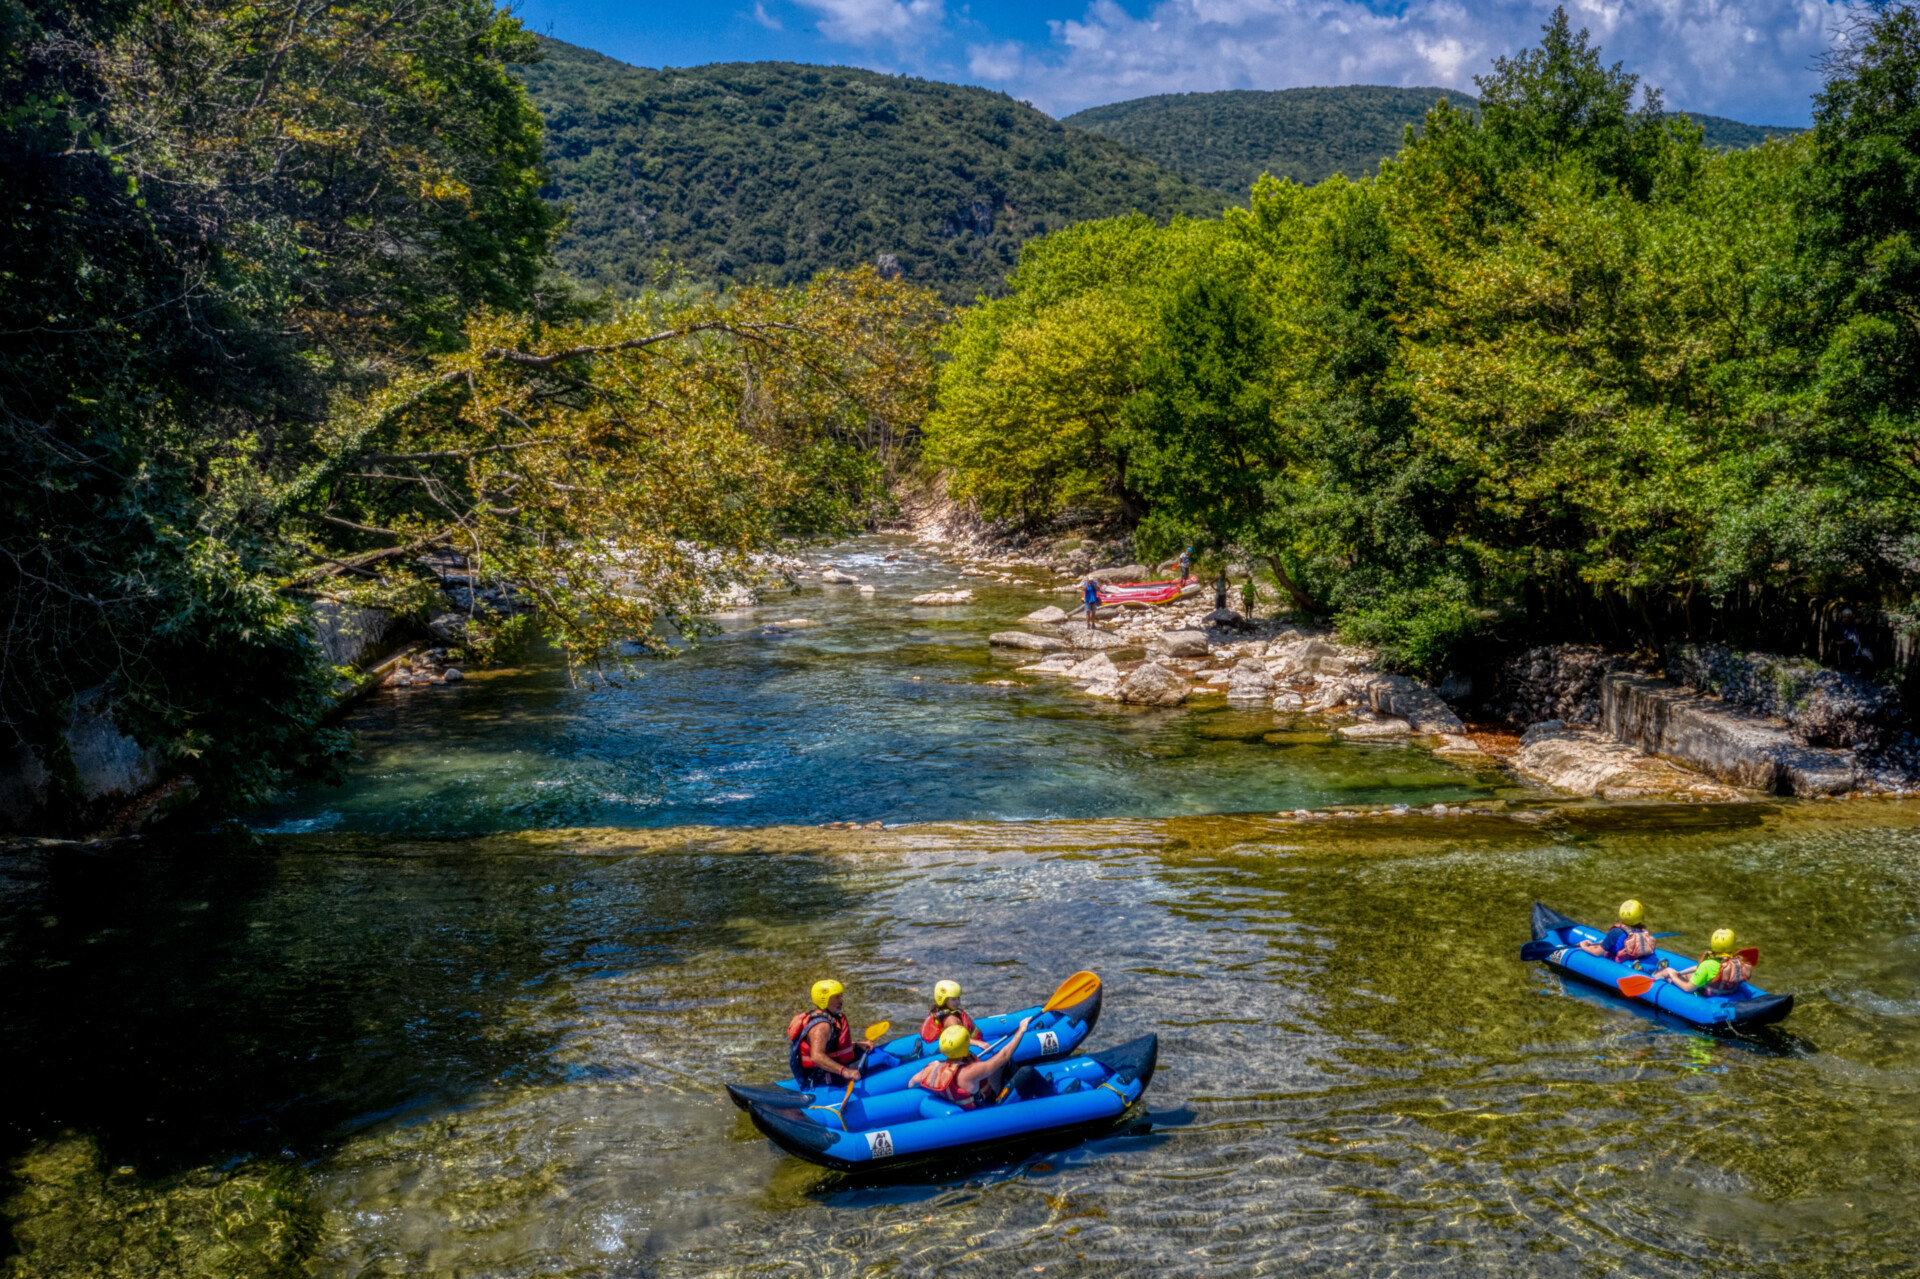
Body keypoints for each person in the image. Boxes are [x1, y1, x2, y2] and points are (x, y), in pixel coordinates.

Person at [911, 1019, 1038, 1111]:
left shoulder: (934, 1066)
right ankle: (1050, 1098)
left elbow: (912, 1082)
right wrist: (1021, 1031)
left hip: (968, 1099)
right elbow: (1004, 1055)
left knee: (1006, 1064)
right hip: (989, 1108)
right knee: (1028, 1072)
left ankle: (1025, 1095)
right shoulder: (970, 1071)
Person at [787, 979, 873, 1088]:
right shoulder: (821, 1027)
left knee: (862, 1054)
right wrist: (845, 1071)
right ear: (824, 999)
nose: (841, 1000)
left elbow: (831, 1046)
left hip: (827, 1069)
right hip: (822, 1076)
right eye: (836, 997)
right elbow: (816, 1057)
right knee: (866, 1064)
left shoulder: (830, 1017)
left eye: (840, 996)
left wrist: (856, 1044)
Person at [1655, 928, 1754, 996]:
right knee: (1694, 970)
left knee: (1668, 971)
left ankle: (1654, 975)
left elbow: (1687, 988)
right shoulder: (1739, 962)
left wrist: (1673, 975)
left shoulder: (1708, 965)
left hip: (1707, 995)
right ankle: (1674, 973)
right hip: (1726, 992)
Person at [1577, 899, 1658, 963]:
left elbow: (1597, 952)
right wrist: (1593, 945)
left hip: (1618, 963)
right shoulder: (1643, 931)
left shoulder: (1616, 932)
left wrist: (1584, 947)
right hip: (1635, 960)